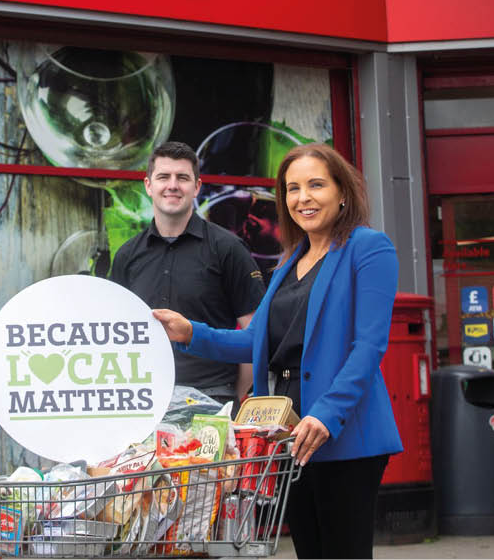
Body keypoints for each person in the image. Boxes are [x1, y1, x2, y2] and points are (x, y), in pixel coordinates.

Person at [153, 143, 403, 559]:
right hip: (287, 433)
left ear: (343, 192)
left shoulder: (368, 248)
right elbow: (259, 344)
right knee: (309, 550)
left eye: (316, 185)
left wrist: (327, 413)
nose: (303, 198)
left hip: (340, 431)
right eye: (292, 188)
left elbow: (369, 346)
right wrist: (189, 332)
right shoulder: (291, 260)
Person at [111, 140, 263, 407]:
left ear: (197, 187)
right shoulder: (127, 255)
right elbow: (115, 334)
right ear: (148, 185)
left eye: (182, 177)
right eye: (163, 177)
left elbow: (257, 334)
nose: (172, 185)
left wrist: (231, 397)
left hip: (213, 398)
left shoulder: (228, 249)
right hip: (144, 401)